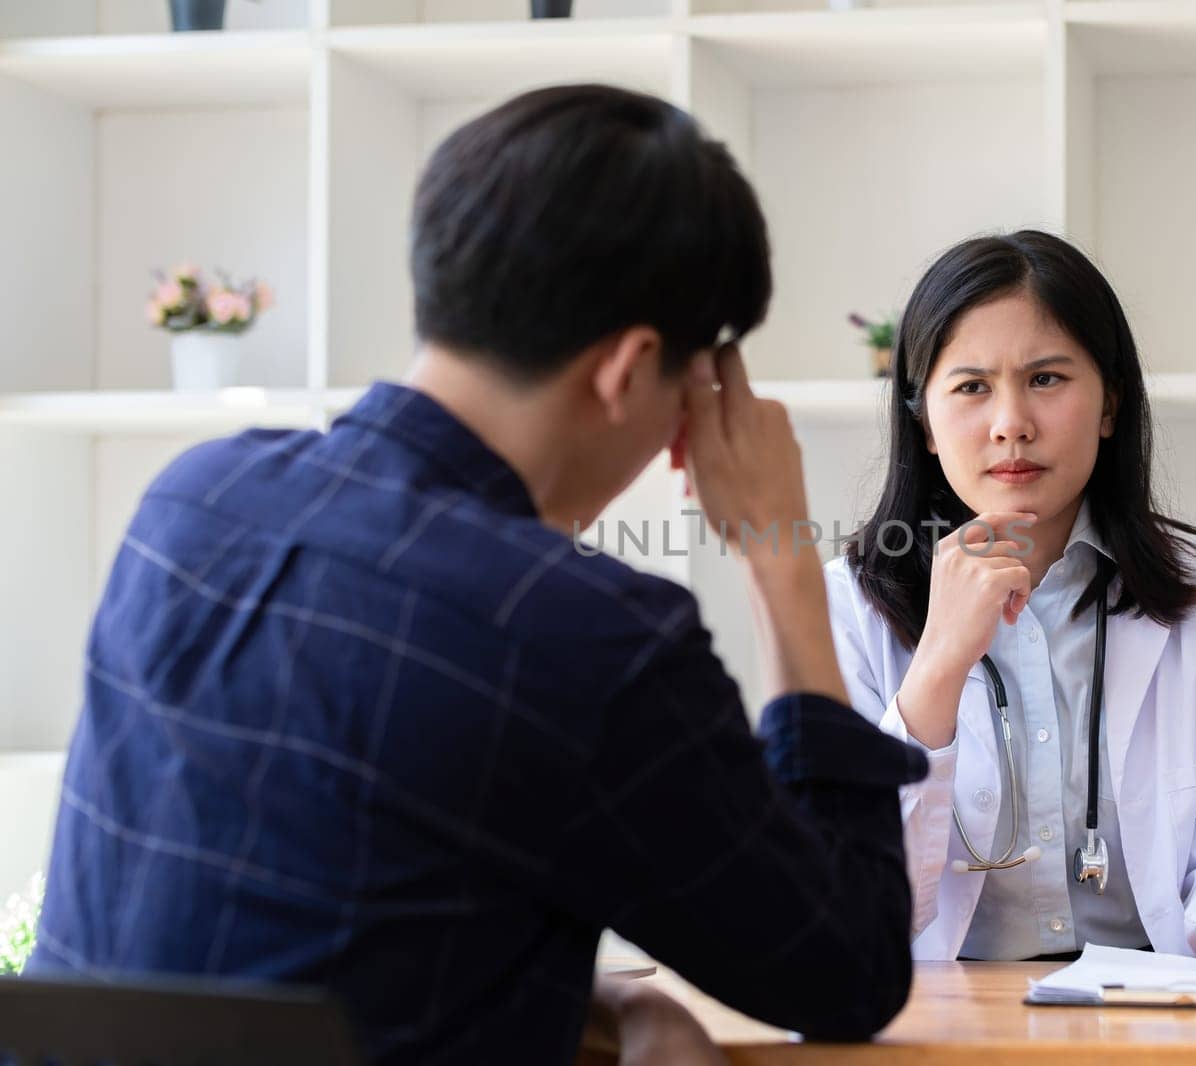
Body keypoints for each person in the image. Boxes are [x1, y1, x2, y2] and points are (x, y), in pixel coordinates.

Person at [27, 84, 928, 1063]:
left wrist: (596, 1002)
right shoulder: (585, 636)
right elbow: (847, 969)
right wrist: (783, 559)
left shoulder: (189, 503)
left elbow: (289, 942)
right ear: (629, 370)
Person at [824, 230, 1196, 965]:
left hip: (1157, 1020)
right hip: (945, 1021)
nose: (1011, 424)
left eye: (1047, 379)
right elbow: (841, 905)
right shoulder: (849, 604)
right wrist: (935, 667)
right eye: (970, 387)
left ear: (1109, 405)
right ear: (924, 424)